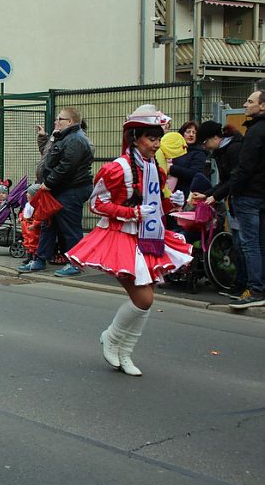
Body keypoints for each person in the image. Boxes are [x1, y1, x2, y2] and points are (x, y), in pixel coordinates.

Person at [67, 105, 190, 376]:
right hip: (119, 237)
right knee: (143, 299)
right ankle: (111, 338)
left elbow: (157, 207)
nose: (156, 145)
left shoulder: (154, 169)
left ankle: (125, 351)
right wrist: (131, 212)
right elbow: (97, 204)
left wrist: (174, 204)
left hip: (148, 237)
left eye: (158, 139)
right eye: (151, 139)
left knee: (147, 299)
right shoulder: (117, 169)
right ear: (135, 138)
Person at [18, 107, 93, 277]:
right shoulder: (64, 137)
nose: (56, 121)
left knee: (69, 227)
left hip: (71, 189)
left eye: (60, 118)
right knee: (48, 224)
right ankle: (40, 259)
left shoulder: (75, 140)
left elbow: (66, 166)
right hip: (59, 189)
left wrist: (49, 183)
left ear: (70, 122)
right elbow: (51, 158)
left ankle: (74, 263)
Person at [190, 122, 246, 298]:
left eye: (205, 142)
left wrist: (214, 197)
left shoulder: (233, 150)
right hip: (235, 199)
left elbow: (233, 179)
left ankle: (249, 286)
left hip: (244, 199)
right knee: (239, 244)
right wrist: (206, 194)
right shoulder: (222, 151)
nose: (205, 147)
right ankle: (240, 285)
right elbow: (224, 182)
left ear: (216, 138)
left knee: (246, 245)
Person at [226, 90, 265, 309]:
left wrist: (235, 191)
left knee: (250, 245)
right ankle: (260, 287)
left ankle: (255, 289)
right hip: (262, 195)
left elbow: (246, 166)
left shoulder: (254, 131)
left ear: (262, 106)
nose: (245, 104)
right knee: (261, 243)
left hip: (249, 194)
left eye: (250, 102)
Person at [168, 121, 207, 200]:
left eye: (194, 132)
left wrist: (171, 169)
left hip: (186, 193)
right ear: (182, 134)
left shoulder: (199, 153)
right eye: (188, 132)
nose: (191, 135)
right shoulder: (173, 149)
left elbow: (194, 173)